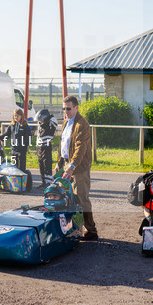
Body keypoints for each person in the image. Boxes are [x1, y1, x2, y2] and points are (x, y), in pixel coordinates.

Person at [58, 96, 97, 240]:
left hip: (79, 167)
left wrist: (71, 167)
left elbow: (80, 149)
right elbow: (63, 144)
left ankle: (91, 231)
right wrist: (59, 163)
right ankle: (74, 229)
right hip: (67, 164)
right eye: (63, 108)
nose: (65, 111)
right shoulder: (65, 122)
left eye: (68, 108)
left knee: (82, 199)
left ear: (76, 107)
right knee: (68, 199)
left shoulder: (82, 124)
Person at [0, 108, 32, 174]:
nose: (16, 117)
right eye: (15, 116)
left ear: (21, 116)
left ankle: (22, 182)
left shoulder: (25, 126)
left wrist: (25, 145)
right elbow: (6, 134)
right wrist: (0, 138)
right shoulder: (12, 126)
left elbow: (28, 137)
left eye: (17, 116)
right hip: (14, 149)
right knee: (14, 166)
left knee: (21, 167)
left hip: (21, 150)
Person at [35, 108, 58, 188]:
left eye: (41, 119)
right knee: (41, 164)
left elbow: (54, 122)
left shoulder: (50, 122)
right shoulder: (40, 125)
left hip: (46, 146)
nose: (40, 121)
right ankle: (44, 181)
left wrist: (47, 118)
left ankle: (48, 182)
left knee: (47, 163)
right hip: (39, 147)